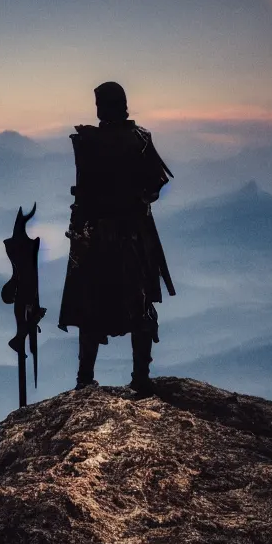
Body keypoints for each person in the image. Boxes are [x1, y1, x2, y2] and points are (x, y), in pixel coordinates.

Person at [58, 81, 175, 396]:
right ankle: (140, 377)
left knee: (91, 305)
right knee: (140, 305)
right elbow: (155, 186)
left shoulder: (89, 142)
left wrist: (77, 233)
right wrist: (134, 200)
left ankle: (85, 379)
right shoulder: (139, 140)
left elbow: (82, 195)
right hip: (136, 234)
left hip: (99, 236)